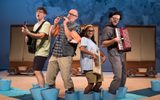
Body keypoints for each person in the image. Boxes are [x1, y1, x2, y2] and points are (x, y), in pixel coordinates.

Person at [46, 9, 81, 92]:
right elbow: (52, 34)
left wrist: (65, 25)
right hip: (55, 53)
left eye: (72, 14)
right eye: (69, 13)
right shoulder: (61, 25)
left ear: (76, 17)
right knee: (49, 76)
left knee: (66, 77)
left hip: (65, 54)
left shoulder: (76, 26)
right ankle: (51, 93)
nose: (70, 15)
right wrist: (55, 24)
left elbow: (69, 37)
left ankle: (70, 92)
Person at [21, 7, 51, 88]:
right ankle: (41, 87)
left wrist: (29, 33)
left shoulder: (46, 24)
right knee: (37, 70)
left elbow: (41, 36)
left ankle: (42, 88)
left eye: (41, 12)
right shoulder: (35, 25)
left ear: (44, 14)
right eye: (37, 12)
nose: (38, 13)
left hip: (43, 51)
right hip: (37, 51)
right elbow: (30, 40)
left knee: (37, 70)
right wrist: (26, 34)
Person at [101, 10, 127, 99]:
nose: (116, 20)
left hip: (121, 53)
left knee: (124, 75)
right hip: (113, 53)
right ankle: (111, 94)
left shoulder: (118, 29)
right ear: (110, 18)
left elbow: (122, 41)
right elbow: (103, 44)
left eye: (118, 19)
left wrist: (125, 43)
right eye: (114, 18)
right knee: (118, 76)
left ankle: (119, 93)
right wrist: (113, 40)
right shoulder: (107, 29)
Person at [80, 25, 106, 94]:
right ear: (85, 31)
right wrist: (92, 54)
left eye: (92, 31)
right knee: (91, 84)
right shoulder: (84, 39)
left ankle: (92, 96)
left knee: (99, 83)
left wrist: (103, 56)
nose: (91, 32)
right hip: (88, 66)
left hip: (96, 65)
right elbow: (82, 49)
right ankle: (85, 97)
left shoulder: (93, 42)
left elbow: (98, 50)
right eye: (89, 30)